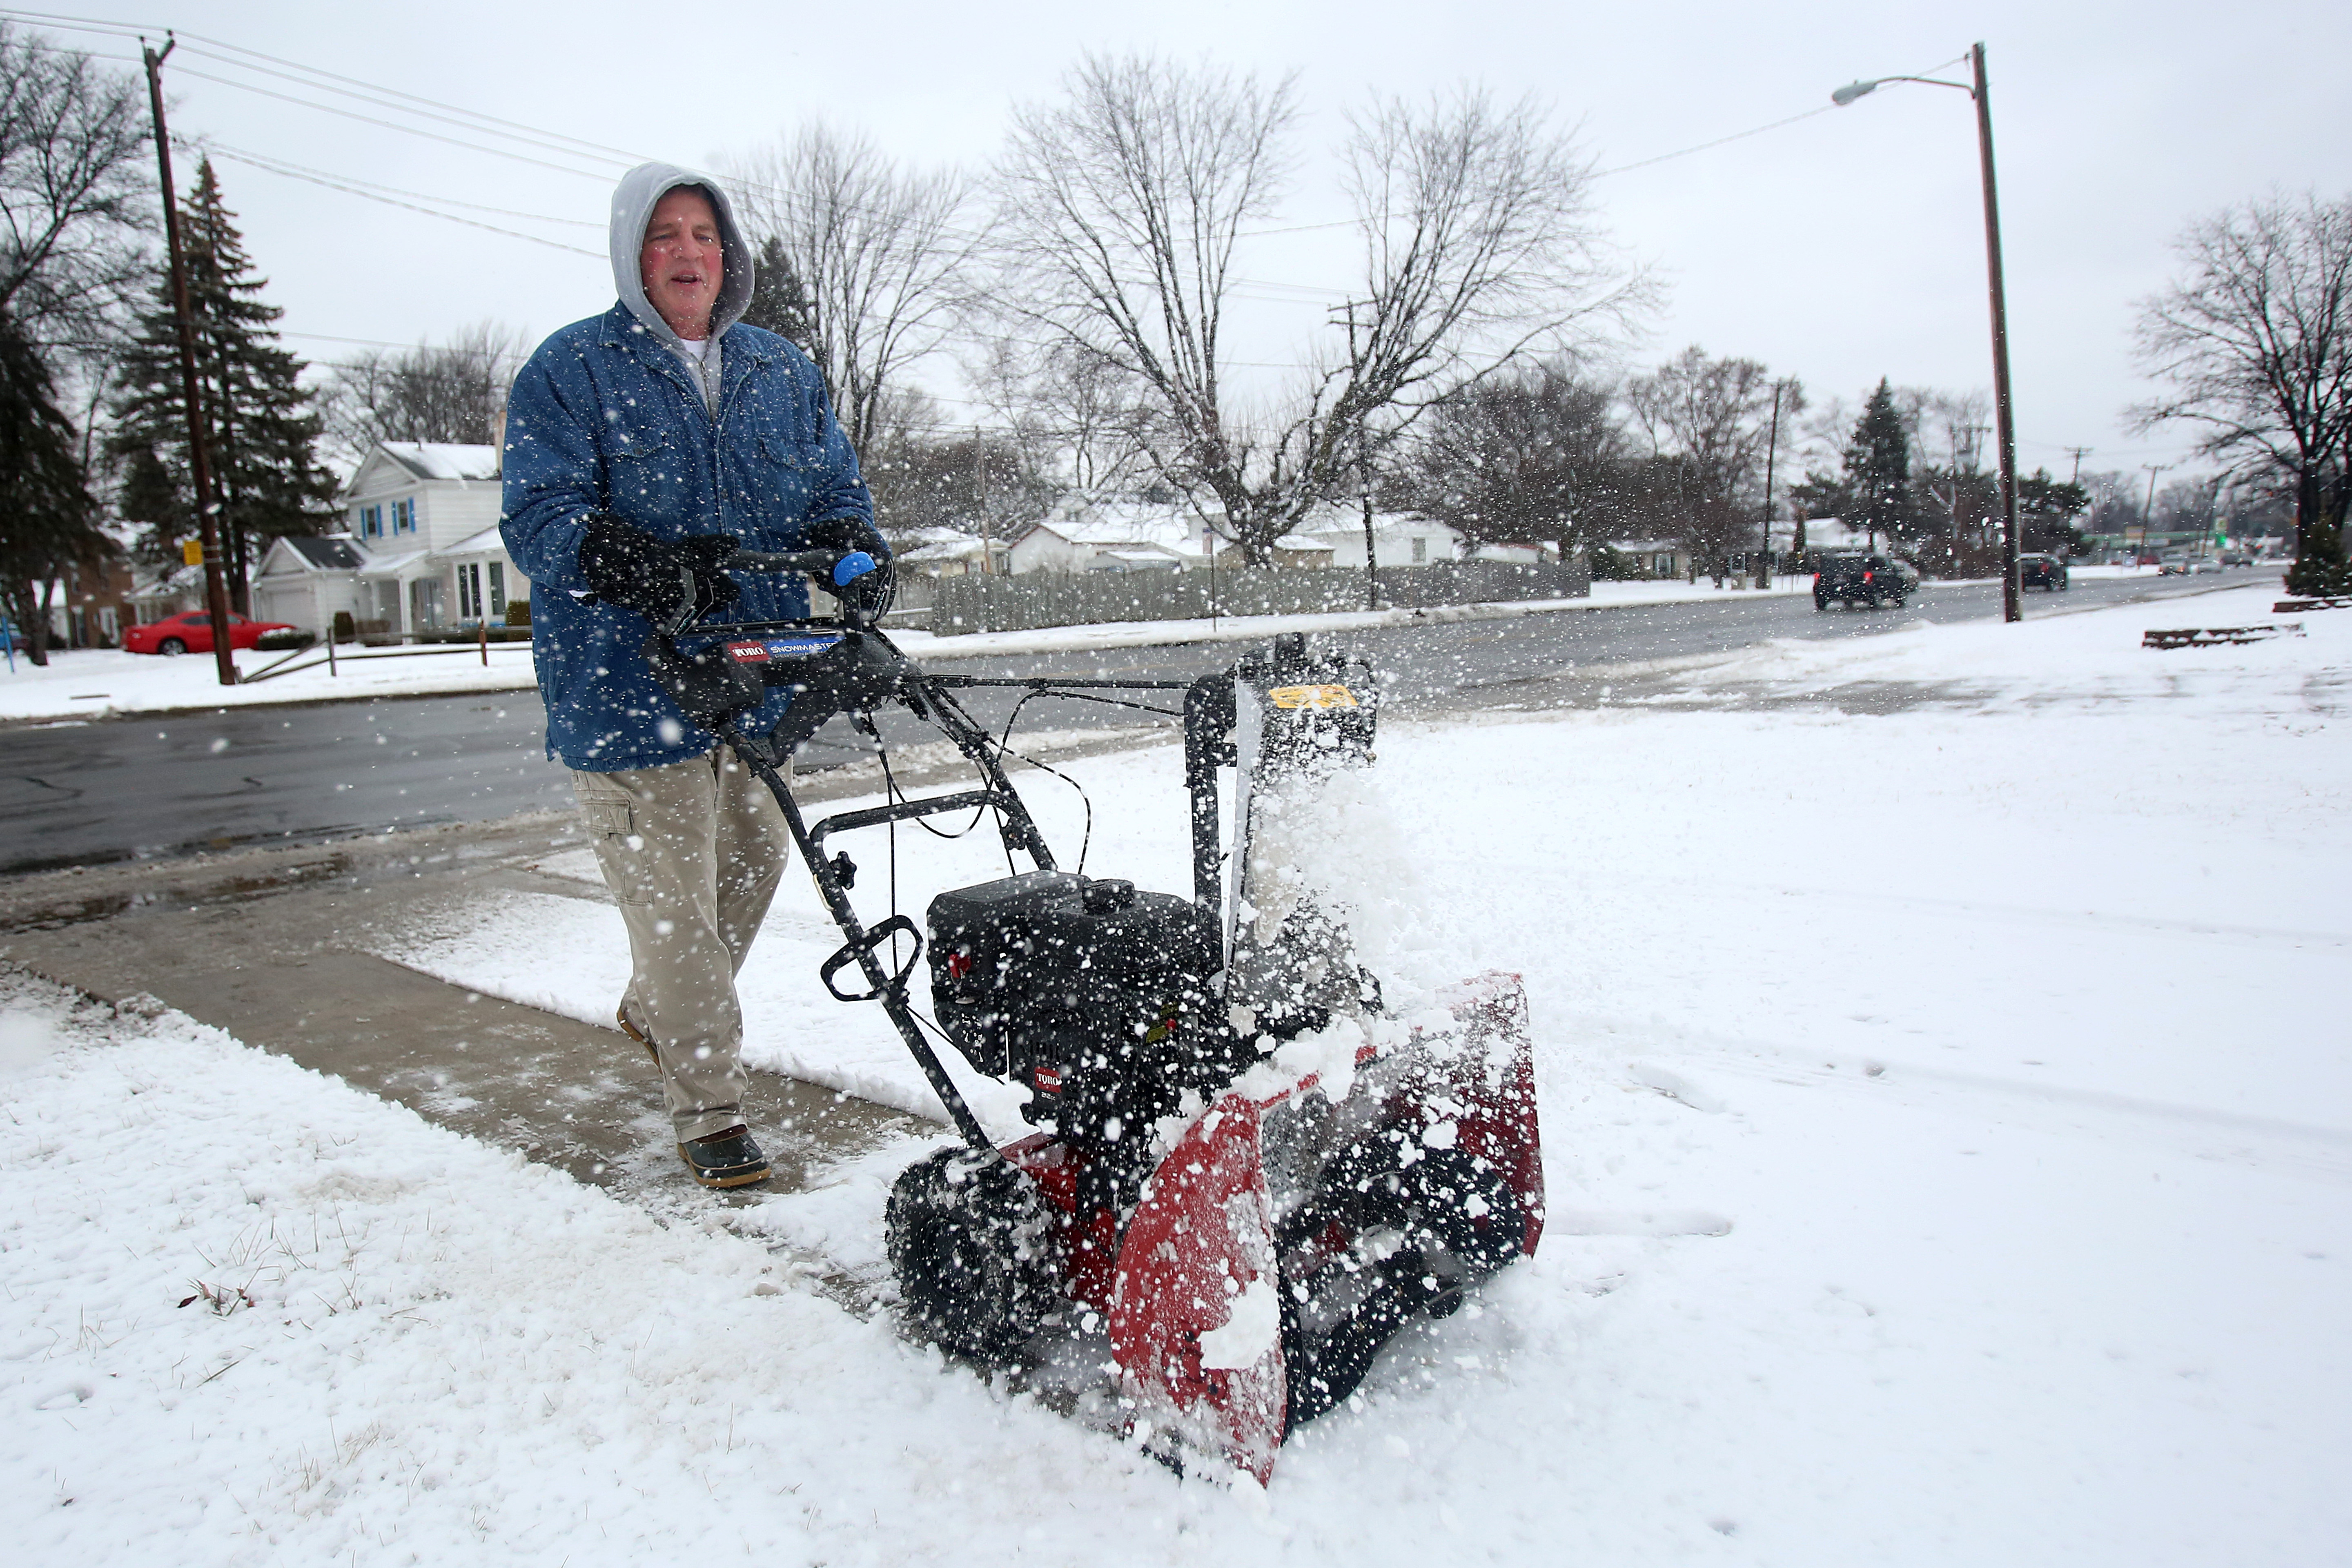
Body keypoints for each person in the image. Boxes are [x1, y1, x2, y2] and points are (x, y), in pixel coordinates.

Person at [501, 162, 891, 1189]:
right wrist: (632, 563)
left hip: (753, 688)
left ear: (730, 256)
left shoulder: (779, 369)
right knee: (678, 915)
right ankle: (708, 1103)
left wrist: (856, 548)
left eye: (704, 236)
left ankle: (660, 1012)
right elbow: (537, 517)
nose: (687, 253)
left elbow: (833, 488)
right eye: (665, 236)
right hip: (626, 693)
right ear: (635, 253)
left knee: (753, 872)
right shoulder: (570, 370)